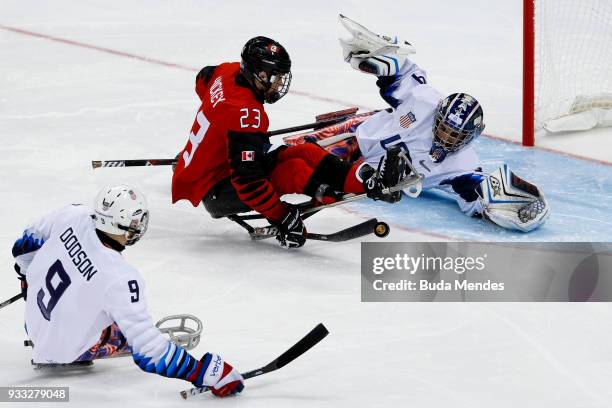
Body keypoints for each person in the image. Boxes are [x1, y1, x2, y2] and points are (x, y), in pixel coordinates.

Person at [293, 15, 549, 232]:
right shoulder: (425, 99)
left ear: (471, 137)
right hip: (359, 132)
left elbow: (476, 190)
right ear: (438, 111)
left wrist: (498, 208)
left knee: (312, 174)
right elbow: (399, 69)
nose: (446, 138)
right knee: (293, 150)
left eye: (455, 136)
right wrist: (375, 57)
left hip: (369, 173)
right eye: (444, 128)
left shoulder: (462, 165)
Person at [171, 36, 408, 248]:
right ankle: (328, 187)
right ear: (260, 75)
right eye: (276, 78)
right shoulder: (245, 115)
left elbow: (203, 77)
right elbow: (248, 183)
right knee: (293, 170)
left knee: (304, 151)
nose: (279, 84)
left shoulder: (227, 72)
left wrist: (205, 151)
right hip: (217, 193)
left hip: (216, 170)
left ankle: (365, 180)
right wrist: (282, 217)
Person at [11, 185, 244, 397]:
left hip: (32, 322)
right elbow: (149, 352)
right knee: (127, 329)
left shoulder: (74, 215)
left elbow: (25, 244)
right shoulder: (120, 278)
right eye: (135, 222)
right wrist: (203, 373)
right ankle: (80, 346)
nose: (138, 226)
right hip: (60, 351)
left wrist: (26, 279)